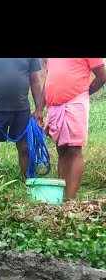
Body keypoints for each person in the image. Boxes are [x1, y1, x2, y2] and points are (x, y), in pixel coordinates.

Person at [35, 58, 106, 200]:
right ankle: (61, 196)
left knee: (74, 150)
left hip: (75, 103)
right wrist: (39, 109)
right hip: (54, 106)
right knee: (62, 149)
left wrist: (82, 93)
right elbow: (49, 79)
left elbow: (102, 75)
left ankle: (70, 199)